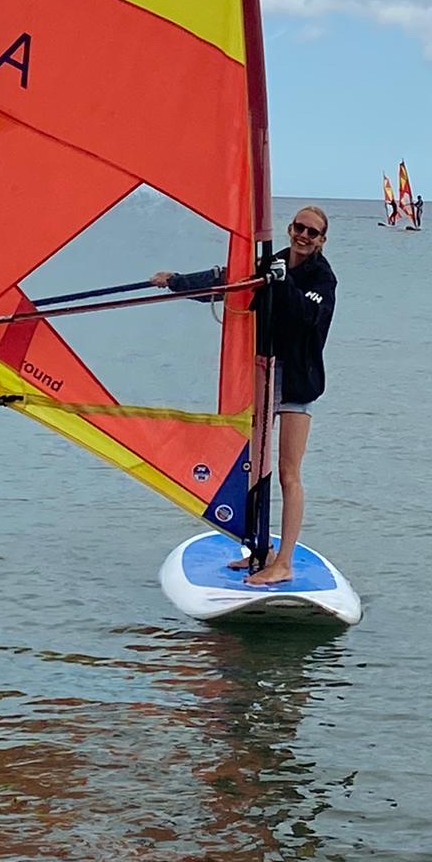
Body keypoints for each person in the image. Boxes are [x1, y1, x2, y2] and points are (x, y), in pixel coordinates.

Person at [151, 206, 336, 587]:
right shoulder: (273, 261)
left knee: (288, 473)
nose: (303, 236)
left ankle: (283, 562)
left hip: (299, 381)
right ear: (289, 228)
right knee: (255, 468)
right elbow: (229, 281)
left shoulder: (323, 277)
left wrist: (280, 282)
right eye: (299, 228)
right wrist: (177, 282)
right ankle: (259, 549)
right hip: (265, 372)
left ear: (322, 240)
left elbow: (306, 318)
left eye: (312, 232)